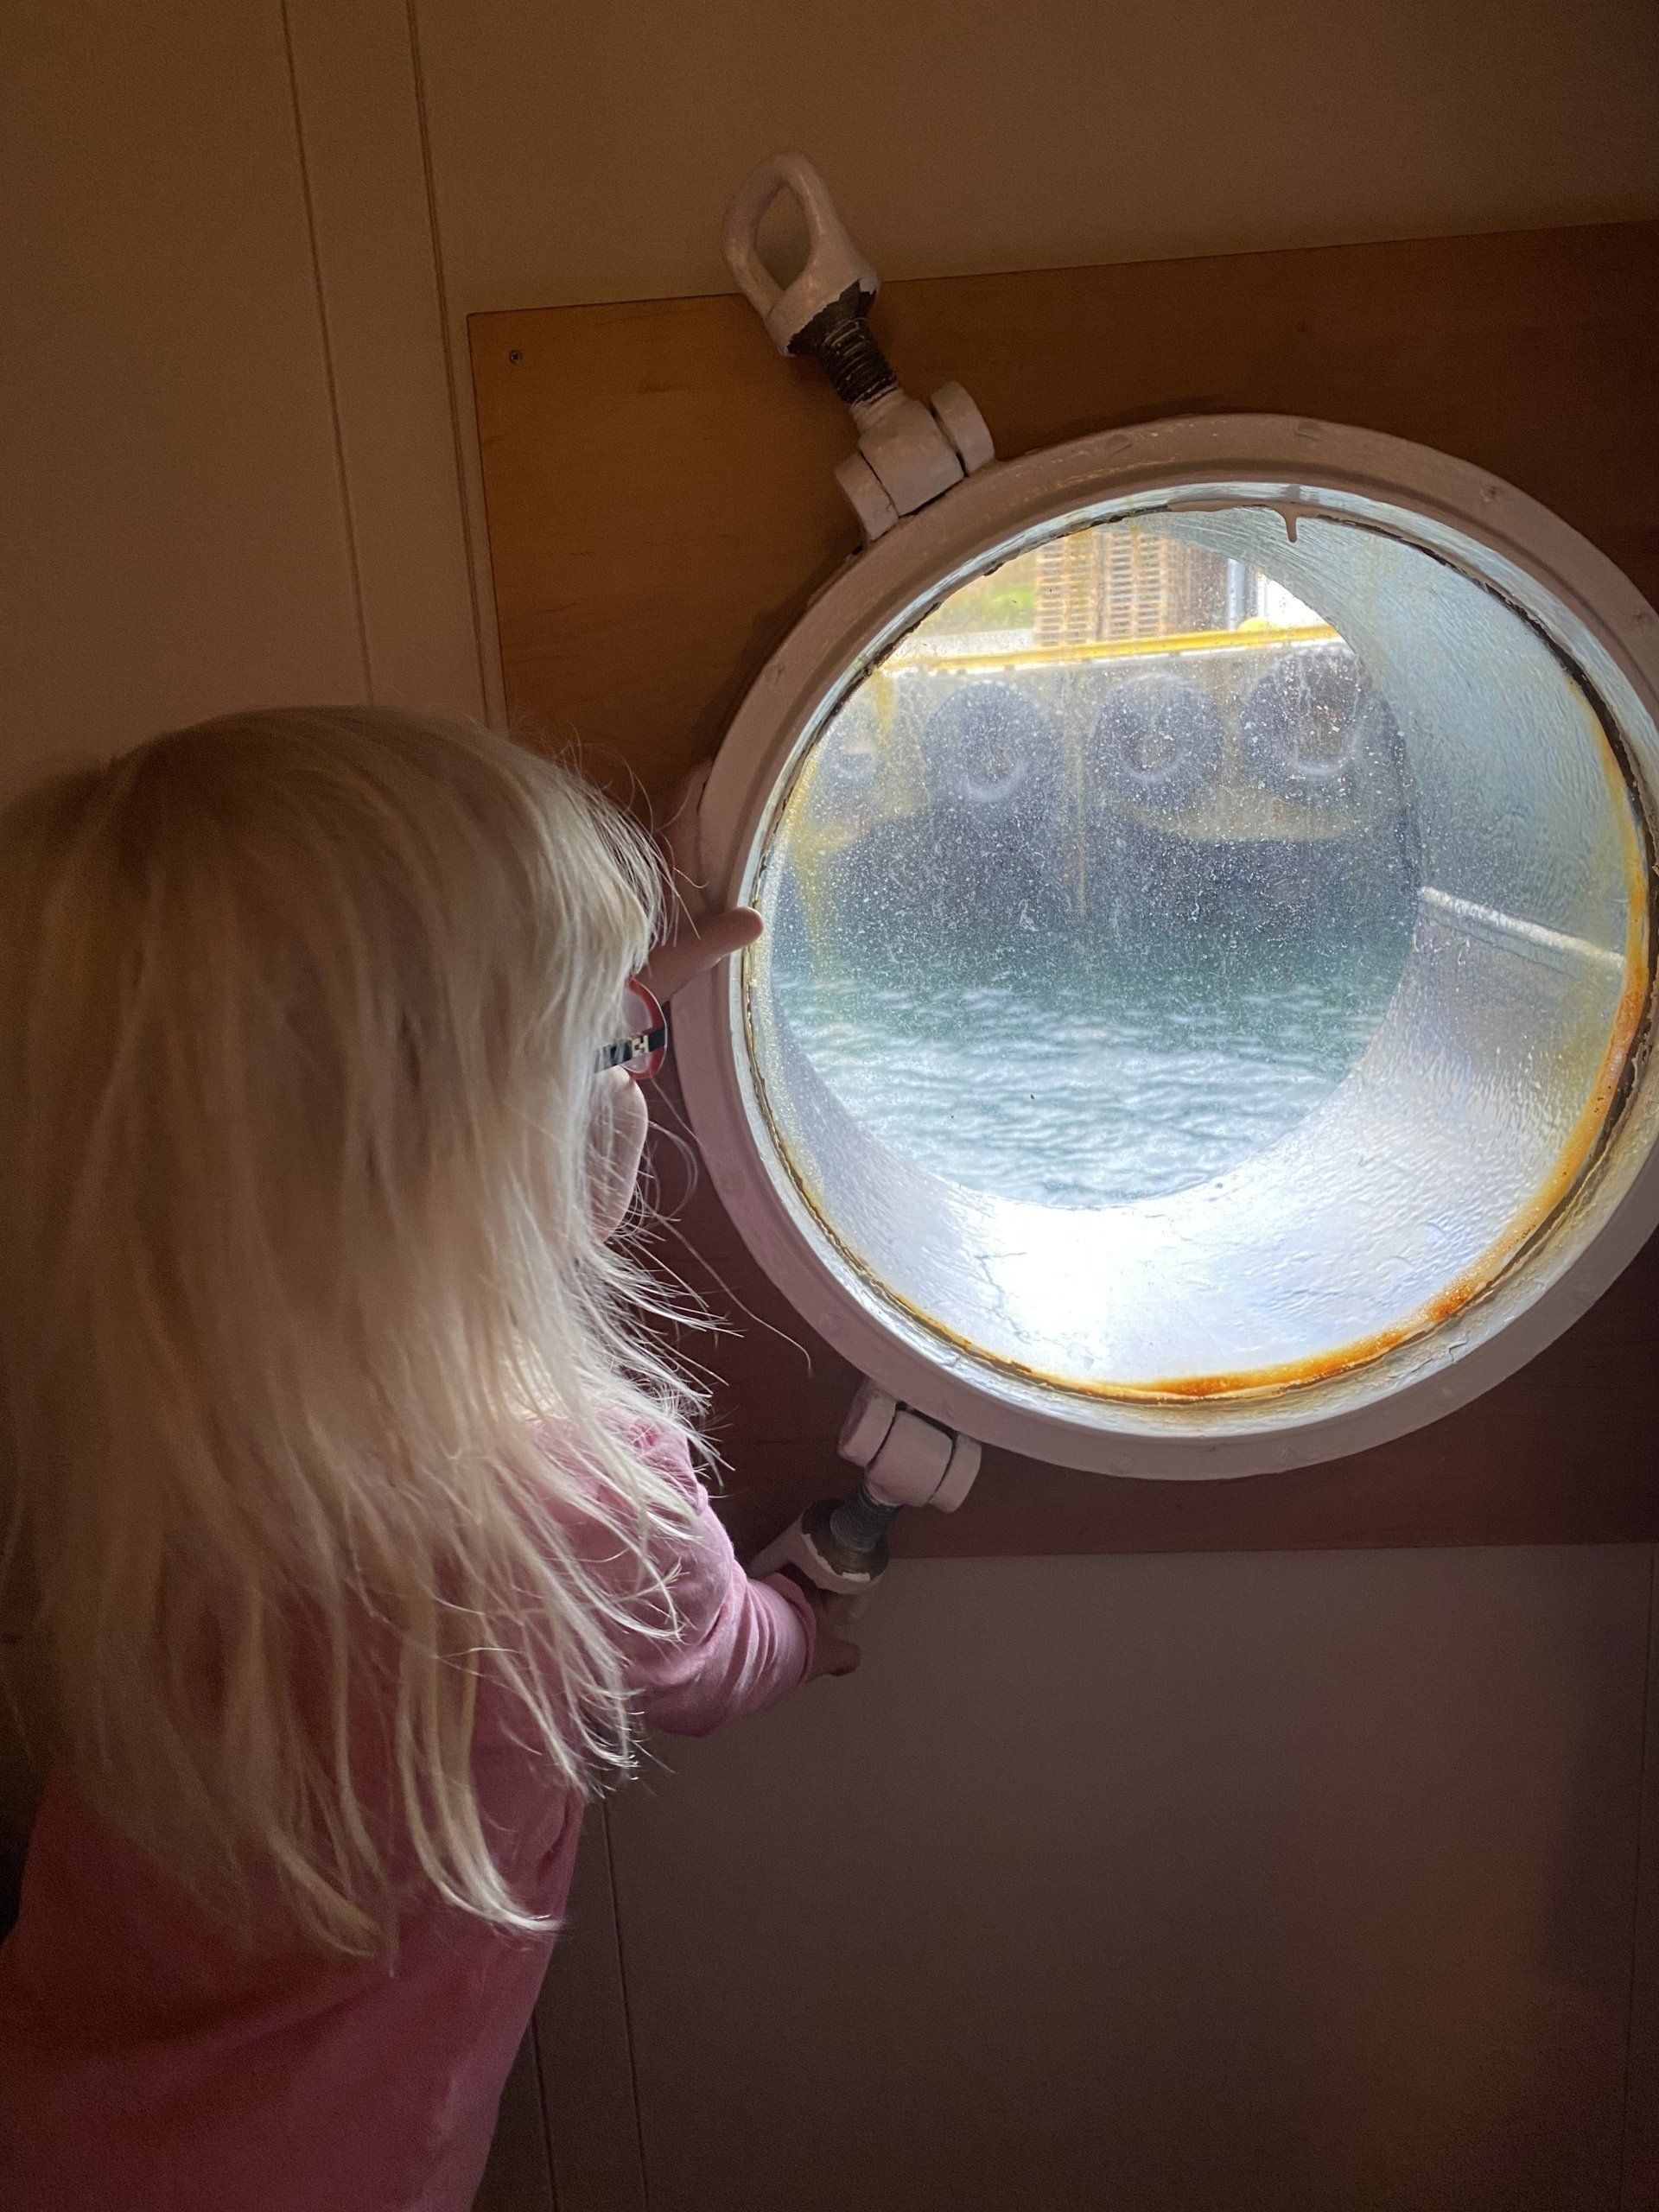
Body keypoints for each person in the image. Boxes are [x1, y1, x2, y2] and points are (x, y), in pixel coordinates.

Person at [0, 706, 858, 2211]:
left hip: (61, 2111)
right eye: (607, 1053)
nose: (637, 1079)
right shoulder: (578, 1502)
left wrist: (606, 998)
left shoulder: (129, 1422)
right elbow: (720, 1663)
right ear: (486, 1151)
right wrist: (810, 1613)